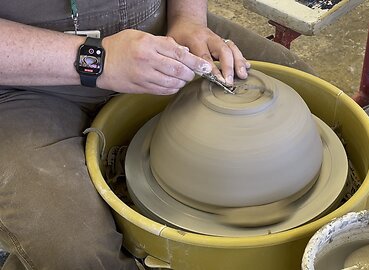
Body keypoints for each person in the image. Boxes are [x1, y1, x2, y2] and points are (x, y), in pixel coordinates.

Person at [0, 1, 315, 269]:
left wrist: (188, 19)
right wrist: (99, 60)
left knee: (310, 93)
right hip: (30, 79)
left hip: (161, 36)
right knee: (77, 252)